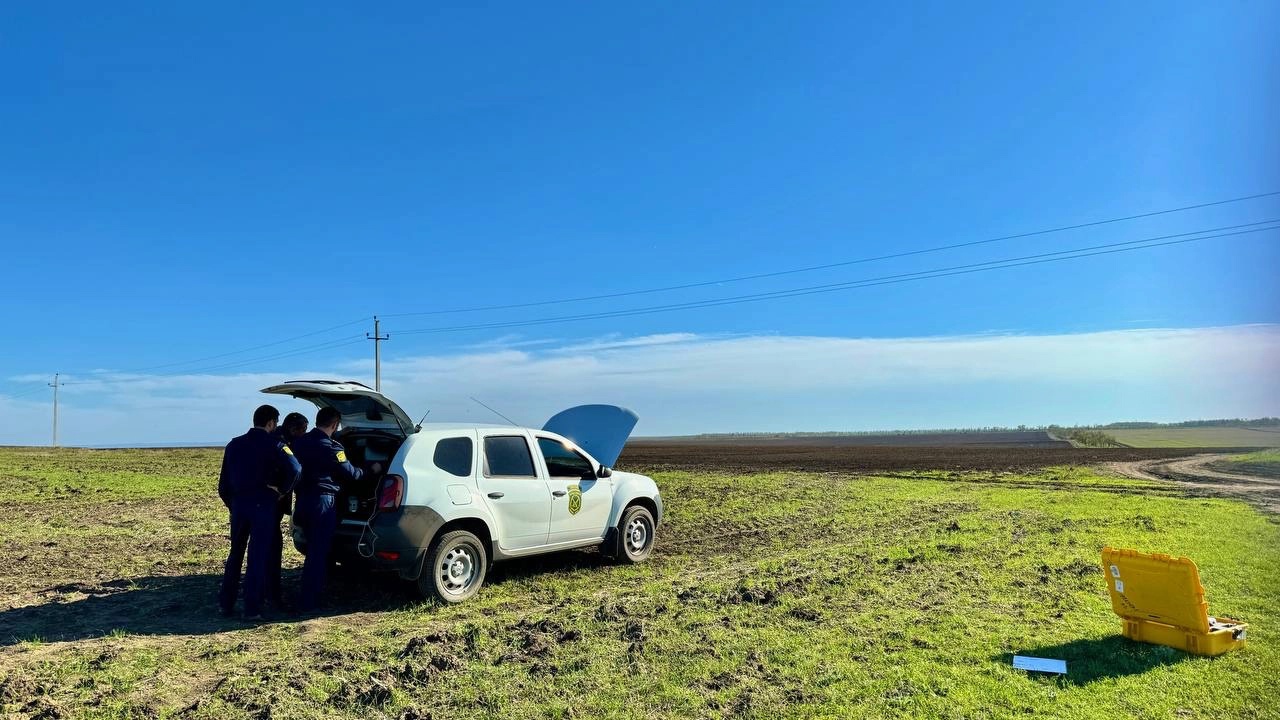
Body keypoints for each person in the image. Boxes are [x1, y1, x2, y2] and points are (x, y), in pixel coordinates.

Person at [293, 407, 381, 612]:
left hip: (303, 501)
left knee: (312, 551)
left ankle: (307, 595)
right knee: (318, 553)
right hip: (322, 504)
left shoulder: (300, 442)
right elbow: (353, 474)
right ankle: (309, 603)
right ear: (334, 425)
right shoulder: (333, 448)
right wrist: (372, 470)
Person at [218, 404, 302, 620]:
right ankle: (251, 609)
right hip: (263, 505)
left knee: (235, 555)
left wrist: (233, 504)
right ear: (271, 423)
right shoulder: (276, 444)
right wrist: (283, 491)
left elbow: (223, 484)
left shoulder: (233, 445)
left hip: (238, 506)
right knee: (257, 557)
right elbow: (296, 469)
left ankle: (225, 605)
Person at [265, 412, 309, 608]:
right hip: (272, 502)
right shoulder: (282, 444)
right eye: (303, 430)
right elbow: (295, 469)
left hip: (253, 502)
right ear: (293, 429)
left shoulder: (273, 438)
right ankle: (272, 595)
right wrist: (284, 491)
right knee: (272, 548)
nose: (304, 434)